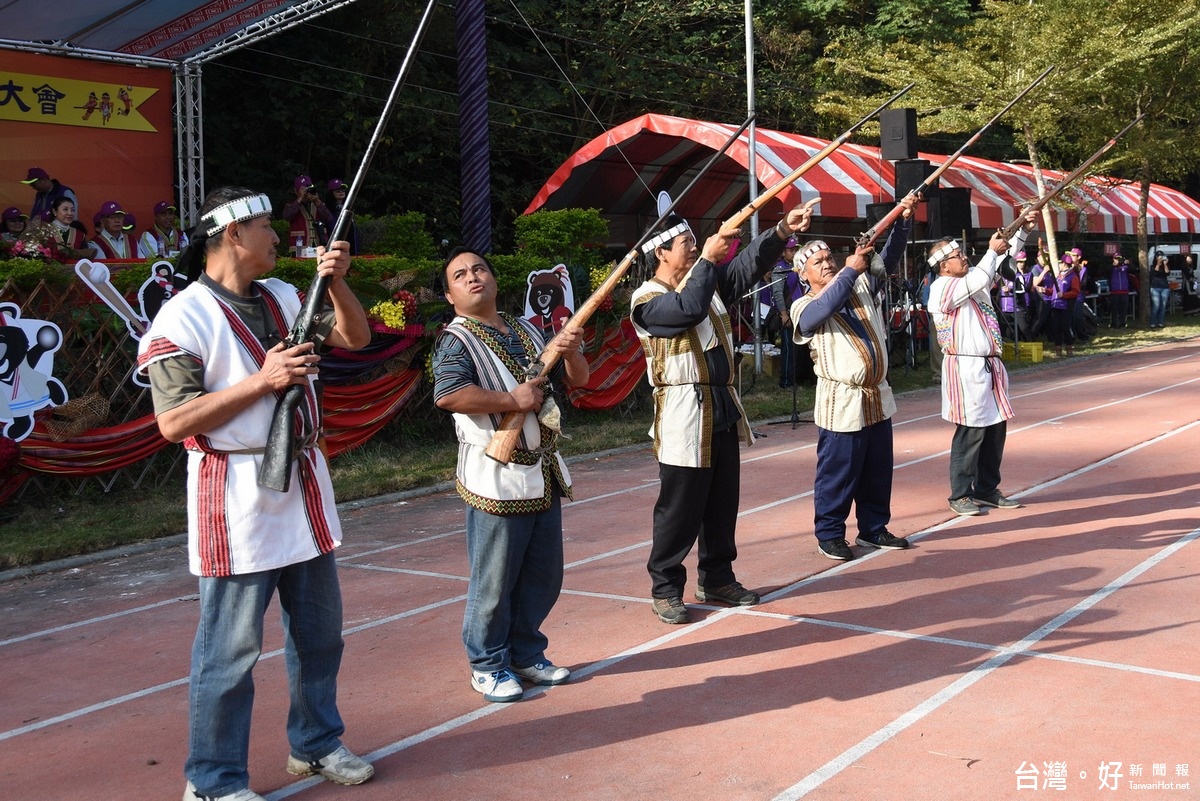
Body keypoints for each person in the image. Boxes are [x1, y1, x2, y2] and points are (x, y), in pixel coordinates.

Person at [135, 186, 374, 801]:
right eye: (267, 225)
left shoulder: (289, 295)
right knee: (231, 651)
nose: (279, 235)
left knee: (321, 634)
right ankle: (212, 782)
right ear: (234, 234)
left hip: (301, 482)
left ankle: (315, 743)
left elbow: (355, 338)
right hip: (234, 495)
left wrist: (339, 279)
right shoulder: (183, 316)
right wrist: (263, 381)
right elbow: (174, 422)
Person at [630, 199, 817, 623]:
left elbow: (746, 266)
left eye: (696, 242)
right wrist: (708, 264)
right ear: (660, 252)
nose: (694, 249)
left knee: (721, 501)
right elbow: (687, 309)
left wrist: (782, 231)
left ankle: (716, 576)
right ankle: (665, 587)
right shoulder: (647, 299)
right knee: (679, 507)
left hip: (721, 404)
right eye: (684, 243)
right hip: (681, 411)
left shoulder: (704, 281)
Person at [431, 247, 589, 704]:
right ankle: (487, 663)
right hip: (493, 475)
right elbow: (450, 395)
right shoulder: (455, 339)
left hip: (540, 470)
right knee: (495, 580)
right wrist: (512, 401)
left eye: (479, 268)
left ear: (495, 279)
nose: (473, 277)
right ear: (450, 295)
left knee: (544, 574)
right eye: (460, 275)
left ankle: (525, 652)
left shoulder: (525, 328)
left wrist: (570, 349)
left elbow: (577, 379)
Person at [790, 194, 917, 561]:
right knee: (838, 471)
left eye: (830, 257)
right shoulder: (804, 305)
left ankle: (873, 527)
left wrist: (903, 222)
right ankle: (829, 533)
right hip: (841, 399)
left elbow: (890, 258)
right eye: (818, 262)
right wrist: (850, 269)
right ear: (804, 274)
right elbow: (824, 308)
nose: (827, 264)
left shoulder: (859, 283)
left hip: (877, 394)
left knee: (878, 468)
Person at [926, 213, 1035, 518]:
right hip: (965, 369)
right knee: (971, 430)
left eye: (962, 253)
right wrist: (991, 251)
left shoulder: (974, 281)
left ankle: (987, 489)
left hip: (989, 366)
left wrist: (1022, 233)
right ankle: (960, 493)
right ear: (943, 265)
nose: (963, 258)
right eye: (957, 255)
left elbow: (997, 262)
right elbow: (985, 269)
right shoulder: (942, 288)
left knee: (995, 428)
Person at [770, 235, 802, 388]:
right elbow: (777, 294)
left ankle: (800, 378)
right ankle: (786, 382)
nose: (794, 252)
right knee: (788, 348)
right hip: (788, 313)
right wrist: (783, 314)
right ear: (783, 252)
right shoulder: (779, 270)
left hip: (801, 311)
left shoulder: (800, 266)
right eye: (791, 249)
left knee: (800, 348)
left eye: (796, 249)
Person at [282, 175, 334, 252]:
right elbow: (287, 216)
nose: (306, 192)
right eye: (302, 189)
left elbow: (329, 218)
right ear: (296, 191)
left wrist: (317, 201)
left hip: (319, 246)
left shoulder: (318, 204)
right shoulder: (291, 205)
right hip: (299, 247)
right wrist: (300, 199)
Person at [43, 197, 94, 262]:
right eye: (65, 209)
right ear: (54, 211)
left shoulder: (80, 234)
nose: (70, 213)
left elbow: (85, 260)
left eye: (72, 210)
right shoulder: (43, 231)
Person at [325, 178, 359, 255]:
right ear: (331, 193)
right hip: (334, 246)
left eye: (343, 189)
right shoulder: (327, 209)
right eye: (337, 190)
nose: (341, 192)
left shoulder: (349, 208)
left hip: (351, 245)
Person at [1148, 251, 1170, 329]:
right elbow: (1155, 272)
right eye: (1159, 256)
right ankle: (1152, 322)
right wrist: (1158, 263)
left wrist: (1165, 264)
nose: (1161, 258)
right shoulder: (1152, 266)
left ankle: (1161, 322)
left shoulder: (1165, 266)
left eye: (1162, 256)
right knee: (1156, 306)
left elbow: (1167, 273)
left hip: (1165, 287)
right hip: (1155, 287)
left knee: (1163, 306)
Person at [1108, 254, 1131, 328]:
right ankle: (1113, 324)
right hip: (1115, 291)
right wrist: (1114, 265)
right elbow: (1105, 270)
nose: (1118, 260)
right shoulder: (1112, 268)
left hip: (1124, 291)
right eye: (1116, 258)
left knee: (1123, 309)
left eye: (1119, 259)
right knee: (1114, 309)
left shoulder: (1125, 267)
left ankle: (1122, 323)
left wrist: (1128, 263)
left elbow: (1134, 269)